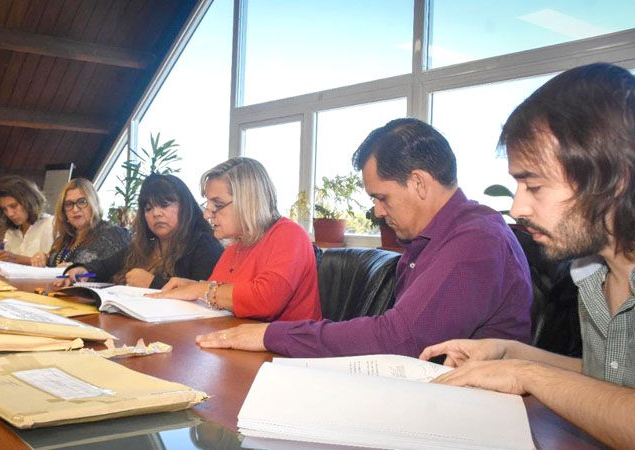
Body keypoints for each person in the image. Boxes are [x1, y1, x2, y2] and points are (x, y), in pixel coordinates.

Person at [419, 63, 635, 449]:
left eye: (534, 186)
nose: (518, 208)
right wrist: (508, 353)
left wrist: (527, 374)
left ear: (613, 179)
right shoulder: (591, 274)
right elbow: (610, 383)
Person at [196, 119, 532, 356]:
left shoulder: (476, 240)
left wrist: (271, 334)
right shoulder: (428, 241)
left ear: (419, 182)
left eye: (381, 198)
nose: (378, 212)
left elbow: (400, 339)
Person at [151, 157, 321, 322]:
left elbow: (265, 300)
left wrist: (200, 289)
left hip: (286, 341)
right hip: (237, 337)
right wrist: (191, 287)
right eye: (208, 204)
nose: (207, 214)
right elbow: (219, 294)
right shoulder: (236, 244)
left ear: (249, 202)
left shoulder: (290, 234)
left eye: (217, 205)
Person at [59, 174, 223, 288]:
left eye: (164, 205)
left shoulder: (204, 246)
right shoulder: (146, 245)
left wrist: (152, 283)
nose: (156, 213)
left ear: (185, 207)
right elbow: (104, 266)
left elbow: (203, 295)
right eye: (148, 208)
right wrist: (83, 270)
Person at [47, 178, 130, 267]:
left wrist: (79, 270)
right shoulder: (62, 239)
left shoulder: (113, 235)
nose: (75, 209)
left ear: (93, 204)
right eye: (69, 204)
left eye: (82, 202)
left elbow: (121, 271)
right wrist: (44, 259)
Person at [0, 176, 54, 266]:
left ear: (29, 201)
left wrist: (17, 259)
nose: (9, 214)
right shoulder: (11, 232)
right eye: (4, 209)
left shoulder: (51, 224)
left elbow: (55, 264)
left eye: (13, 206)